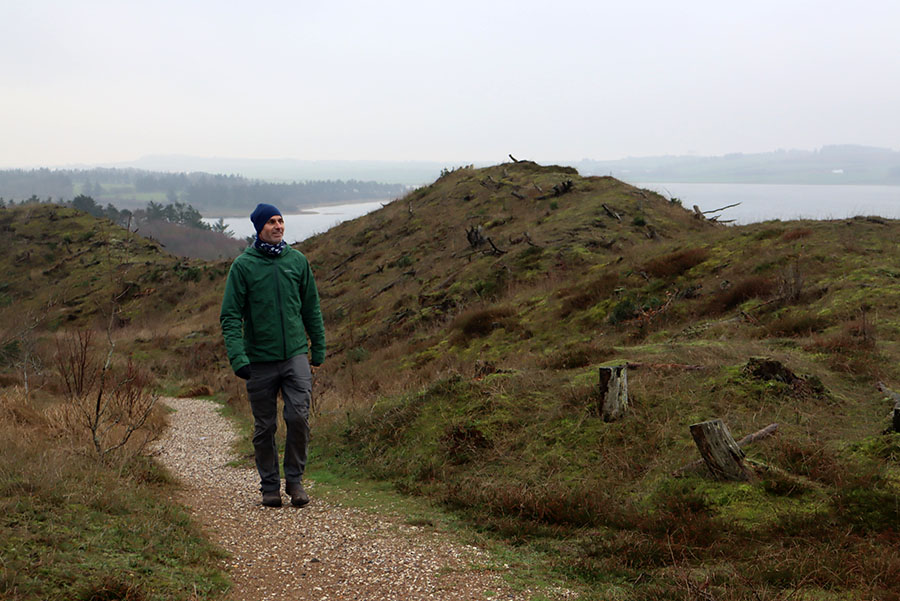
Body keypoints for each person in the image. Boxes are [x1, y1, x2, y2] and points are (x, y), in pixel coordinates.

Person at [220, 203, 326, 507]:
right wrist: (238, 357)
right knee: (264, 426)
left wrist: (317, 347)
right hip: (259, 360)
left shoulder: (297, 261)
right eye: (271, 222)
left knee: (298, 417)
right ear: (259, 228)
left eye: (280, 221)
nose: (278, 226)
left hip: (295, 355)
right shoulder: (243, 266)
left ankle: (294, 481)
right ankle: (269, 486)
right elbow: (230, 316)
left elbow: (311, 308)